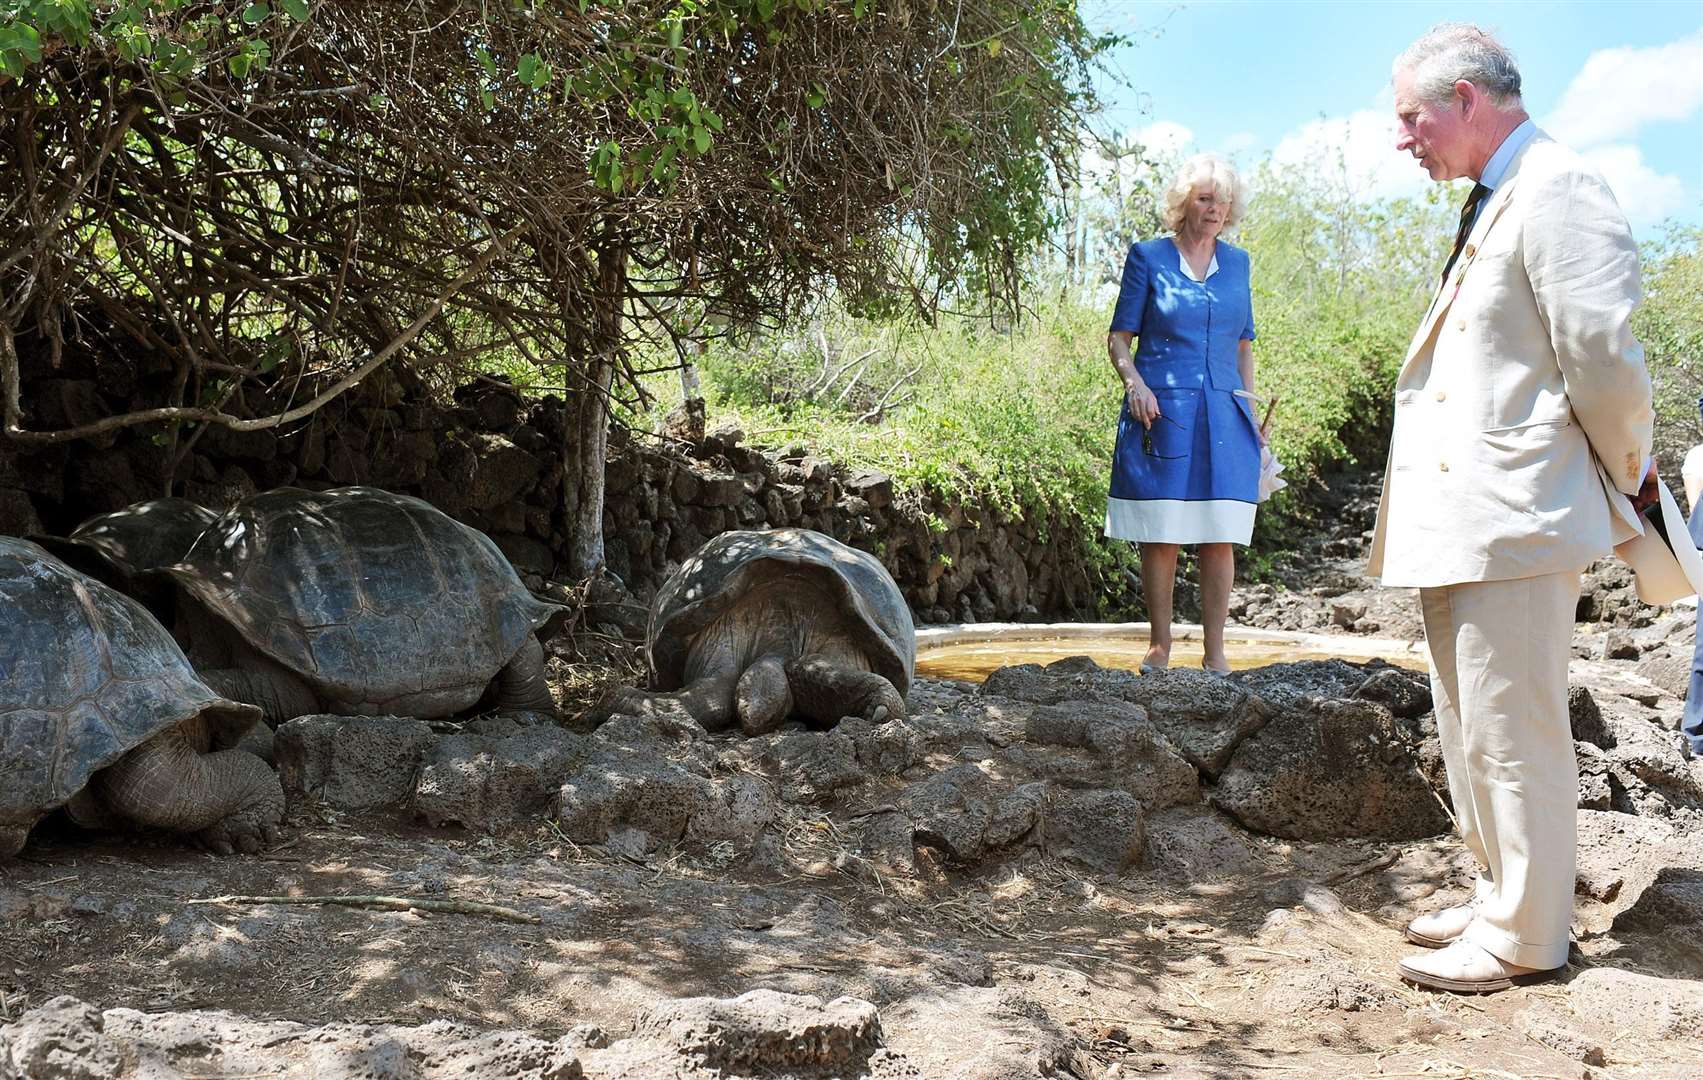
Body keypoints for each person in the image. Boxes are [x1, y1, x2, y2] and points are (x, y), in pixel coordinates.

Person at [1368, 23, 1657, 993]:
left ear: (1464, 101)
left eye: (1410, 117)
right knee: (1467, 723)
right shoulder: (1496, 197)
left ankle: (1529, 937)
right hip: (1462, 517)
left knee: (1514, 724)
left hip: (1518, 513)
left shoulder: (1559, 188)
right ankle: (1502, 893)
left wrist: (1632, 470)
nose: (1401, 139)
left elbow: (1602, 356)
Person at [1105, 153, 1263, 676]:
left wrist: (1252, 410)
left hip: (1226, 412)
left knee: (1221, 532)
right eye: (1204, 198)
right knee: (1163, 531)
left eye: (1222, 199)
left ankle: (1216, 653)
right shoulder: (1148, 257)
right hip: (1163, 409)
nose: (1215, 208)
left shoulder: (1238, 263)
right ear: (1183, 205)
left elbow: (1244, 345)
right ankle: (1160, 646)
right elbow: (1119, 338)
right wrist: (1136, 384)